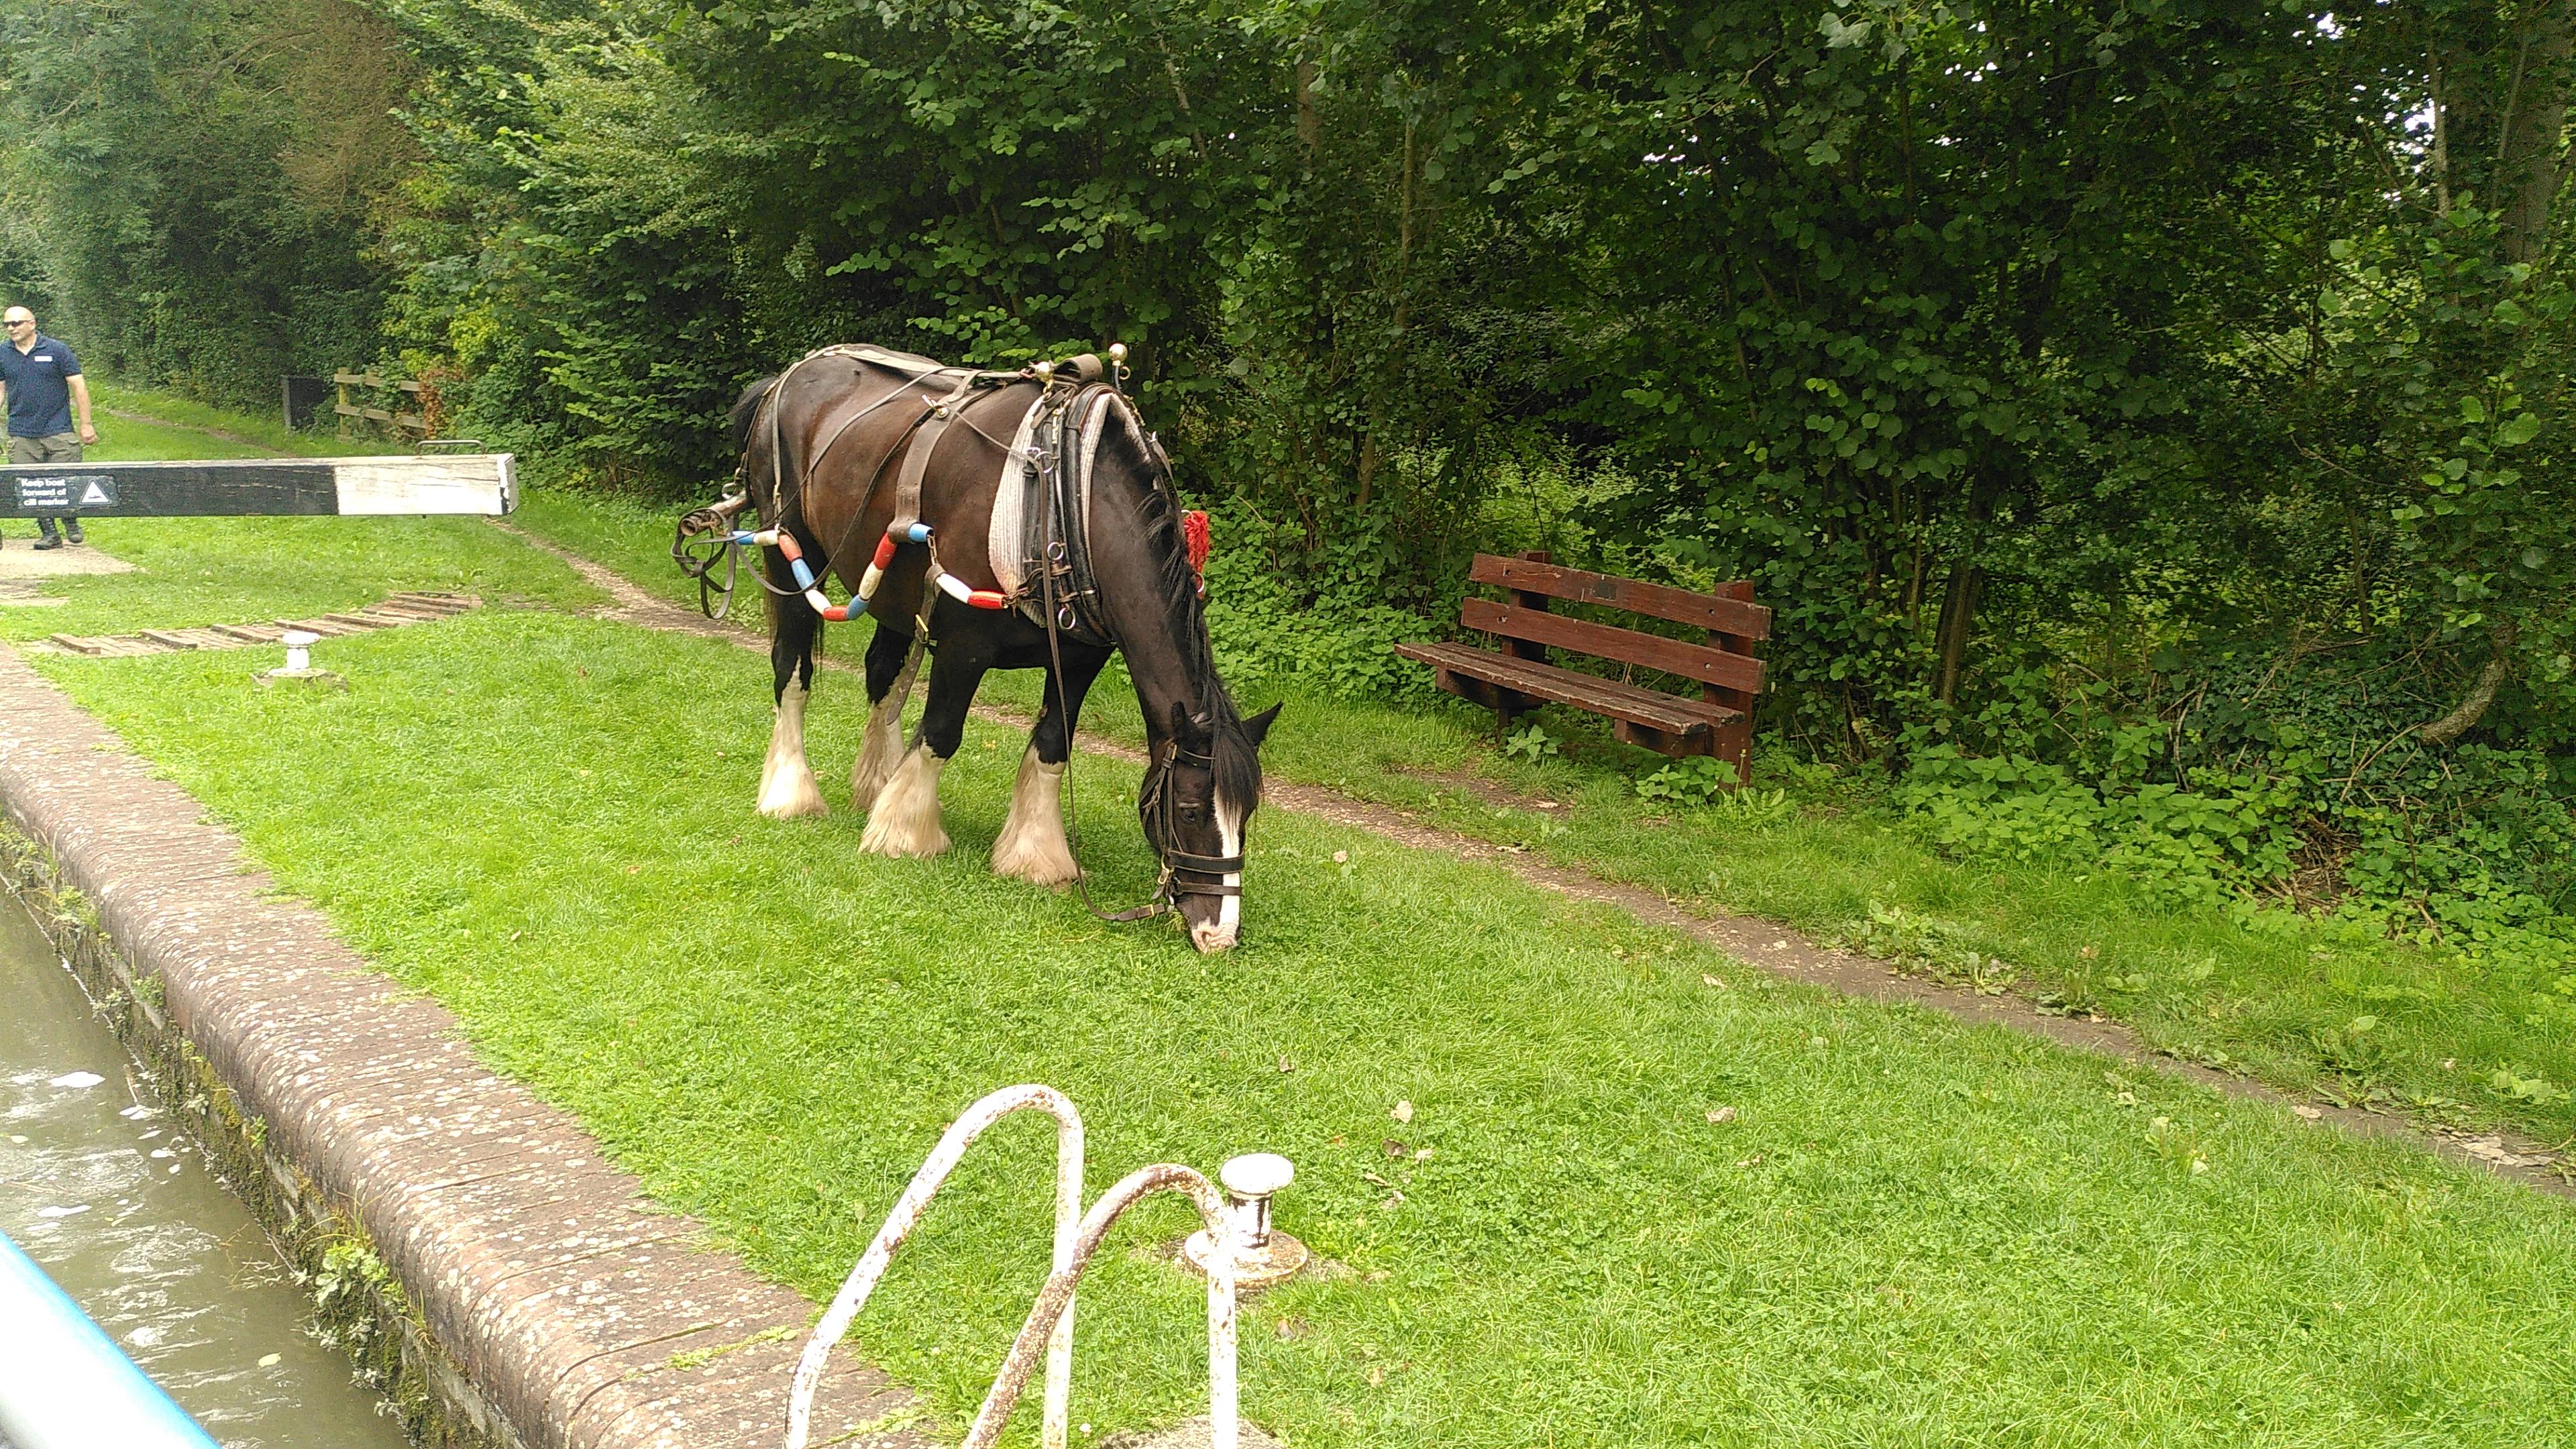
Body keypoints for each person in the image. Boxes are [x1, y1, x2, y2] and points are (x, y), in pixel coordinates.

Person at [0, 306, 98, 549]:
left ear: (32, 324)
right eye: (7, 324)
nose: (11, 328)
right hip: (21, 432)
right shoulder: (3, 353)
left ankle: (70, 521)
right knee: (30, 486)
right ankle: (49, 533)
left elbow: (79, 387)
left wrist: (86, 424)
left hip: (59, 429)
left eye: (17, 323)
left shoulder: (57, 350)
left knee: (67, 480)